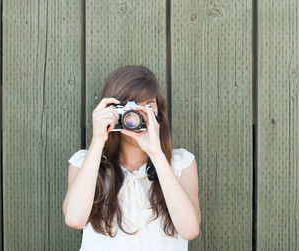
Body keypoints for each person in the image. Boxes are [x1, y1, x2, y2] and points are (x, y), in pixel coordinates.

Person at [62, 65, 201, 251]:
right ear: (112, 110)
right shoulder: (85, 163)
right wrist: (98, 140)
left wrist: (156, 154)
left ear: (159, 113)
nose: (137, 115)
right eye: (130, 107)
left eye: (148, 106)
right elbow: (74, 219)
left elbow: (190, 230)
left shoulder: (180, 163)